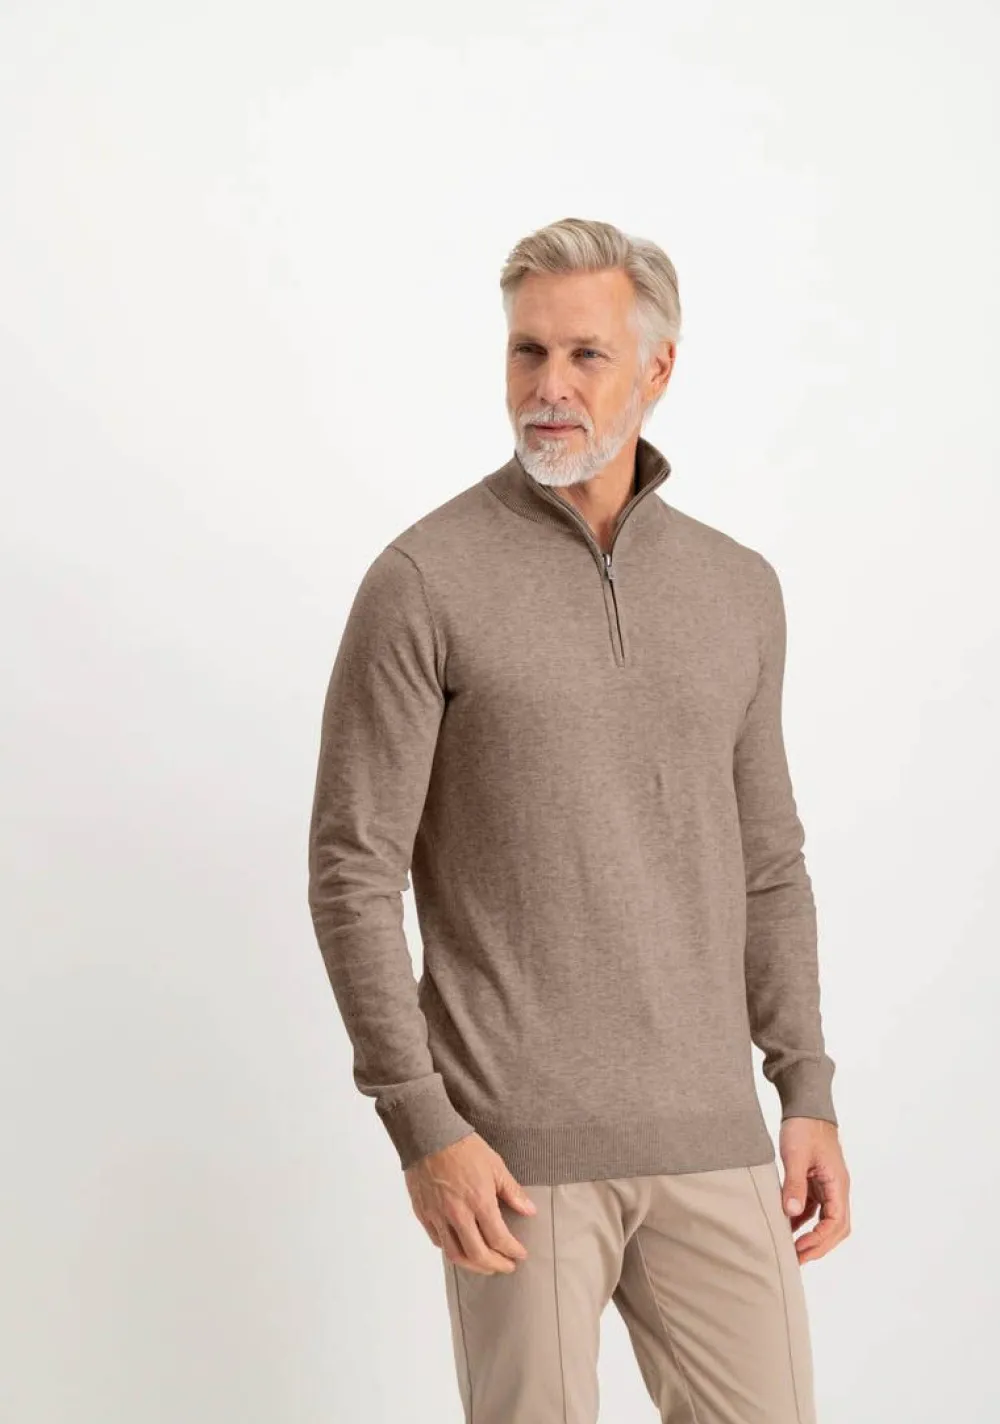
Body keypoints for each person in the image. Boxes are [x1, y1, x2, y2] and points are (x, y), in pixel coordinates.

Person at [307, 216, 851, 1423]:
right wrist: (422, 1121)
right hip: (510, 1155)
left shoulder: (737, 588)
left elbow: (769, 863)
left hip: (714, 1135)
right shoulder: (424, 580)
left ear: (657, 368)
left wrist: (803, 1086)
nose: (547, 387)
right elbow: (352, 869)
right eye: (526, 352)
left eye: (584, 354)